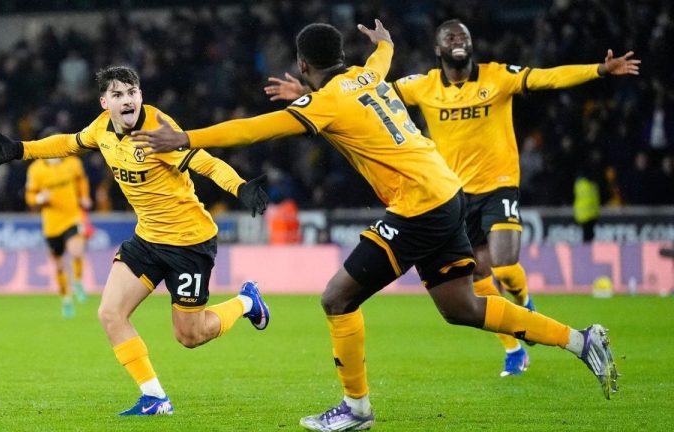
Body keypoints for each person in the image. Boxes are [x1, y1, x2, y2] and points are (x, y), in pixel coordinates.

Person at [128, 20, 618, 431]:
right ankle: (581, 339)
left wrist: (185, 136)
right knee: (462, 307)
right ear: (342, 54)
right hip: (446, 192)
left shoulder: (326, 102)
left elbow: (257, 127)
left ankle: (357, 409)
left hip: (418, 205)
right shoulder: (369, 74)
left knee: (336, 298)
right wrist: (382, 40)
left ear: (302, 65)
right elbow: (383, 55)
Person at [265, 18, 640, 378]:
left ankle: (526, 307)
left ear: (472, 44)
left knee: (504, 268)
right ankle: (521, 348)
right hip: (452, 192)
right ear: (437, 48)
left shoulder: (497, 76)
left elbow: (546, 78)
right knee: (467, 297)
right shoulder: (423, 86)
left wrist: (599, 70)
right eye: (450, 37)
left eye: (463, 35)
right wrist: (311, 97)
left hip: (493, 186)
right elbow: (363, 98)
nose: (457, 41)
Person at [0, 65, 271, 416]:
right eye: (118, 94)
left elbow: (206, 163)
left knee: (190, 336)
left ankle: (246, 302)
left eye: (132, 92)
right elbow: (68, 143)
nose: (127, 100)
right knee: (110, 313)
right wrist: (20, 150)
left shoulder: (159, 130)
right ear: (105, 103)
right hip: (147, 238)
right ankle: (155, 398)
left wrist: (239, 186)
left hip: (188, 241)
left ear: (141, 96)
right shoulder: (101, 128)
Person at [25, 155, 92, 318]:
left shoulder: (73, 163)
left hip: (72, 217)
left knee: (76, 251)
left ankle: (77, 282)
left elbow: (81, 180)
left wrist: (84, 196)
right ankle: (66, 299)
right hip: (52, 224)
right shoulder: (36, 169)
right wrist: (40, 198)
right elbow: (30, 197)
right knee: (60, 266)